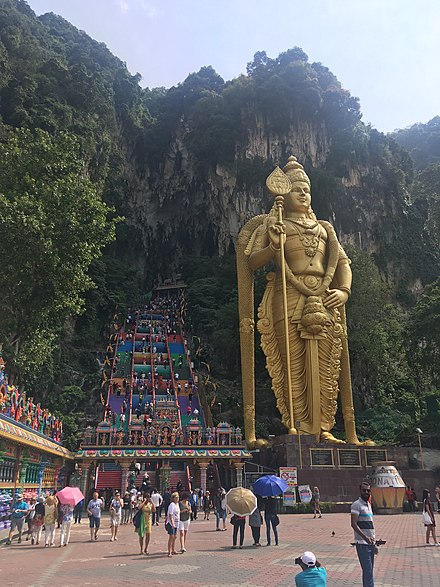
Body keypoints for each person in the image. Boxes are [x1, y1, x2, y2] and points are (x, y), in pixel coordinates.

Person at [238, 156, 362, 447]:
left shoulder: (324, 228)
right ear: (283, 194)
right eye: (297, 189)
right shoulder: (274, 223)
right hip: (288, 295)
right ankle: (298, 425)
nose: (304, 193)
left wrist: (343, 290)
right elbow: (252, 261)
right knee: (291, 364)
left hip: (325, 297)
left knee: (327, 364)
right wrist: (272, 246)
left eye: (307, 188)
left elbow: (343, 263)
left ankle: (325, 429)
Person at [351, 482, 377, 587]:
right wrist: (365, 538)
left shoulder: (369, 505)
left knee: (369, 572)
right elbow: (353, 524)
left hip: (370, 543)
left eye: (368, 490)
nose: (366, 492)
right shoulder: (357, 505)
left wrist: (374, 543)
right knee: (368, 572)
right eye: (364, 490)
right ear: (360, 491)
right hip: (362, 543)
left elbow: (370, 525)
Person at [166, 491, 180, 557]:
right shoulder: (171, 505)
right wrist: (172, 523)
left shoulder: (177, 505)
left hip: (177, 522)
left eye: (178, 497)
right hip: (171, 523)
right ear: (173, 498)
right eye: (176, 497)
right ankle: (169, 551)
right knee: (171, 537)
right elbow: (170, 515)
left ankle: (173, 549)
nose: (177, 499)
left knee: (174, 537)